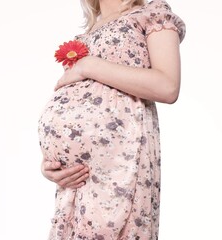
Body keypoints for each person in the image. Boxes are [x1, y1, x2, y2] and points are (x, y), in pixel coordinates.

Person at [37, 0, 186, 239]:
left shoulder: (151, 15)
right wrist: (52, 164)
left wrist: (89, 65)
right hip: (75, 183)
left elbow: (167, 86)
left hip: (121, 164)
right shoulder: (86, 35)